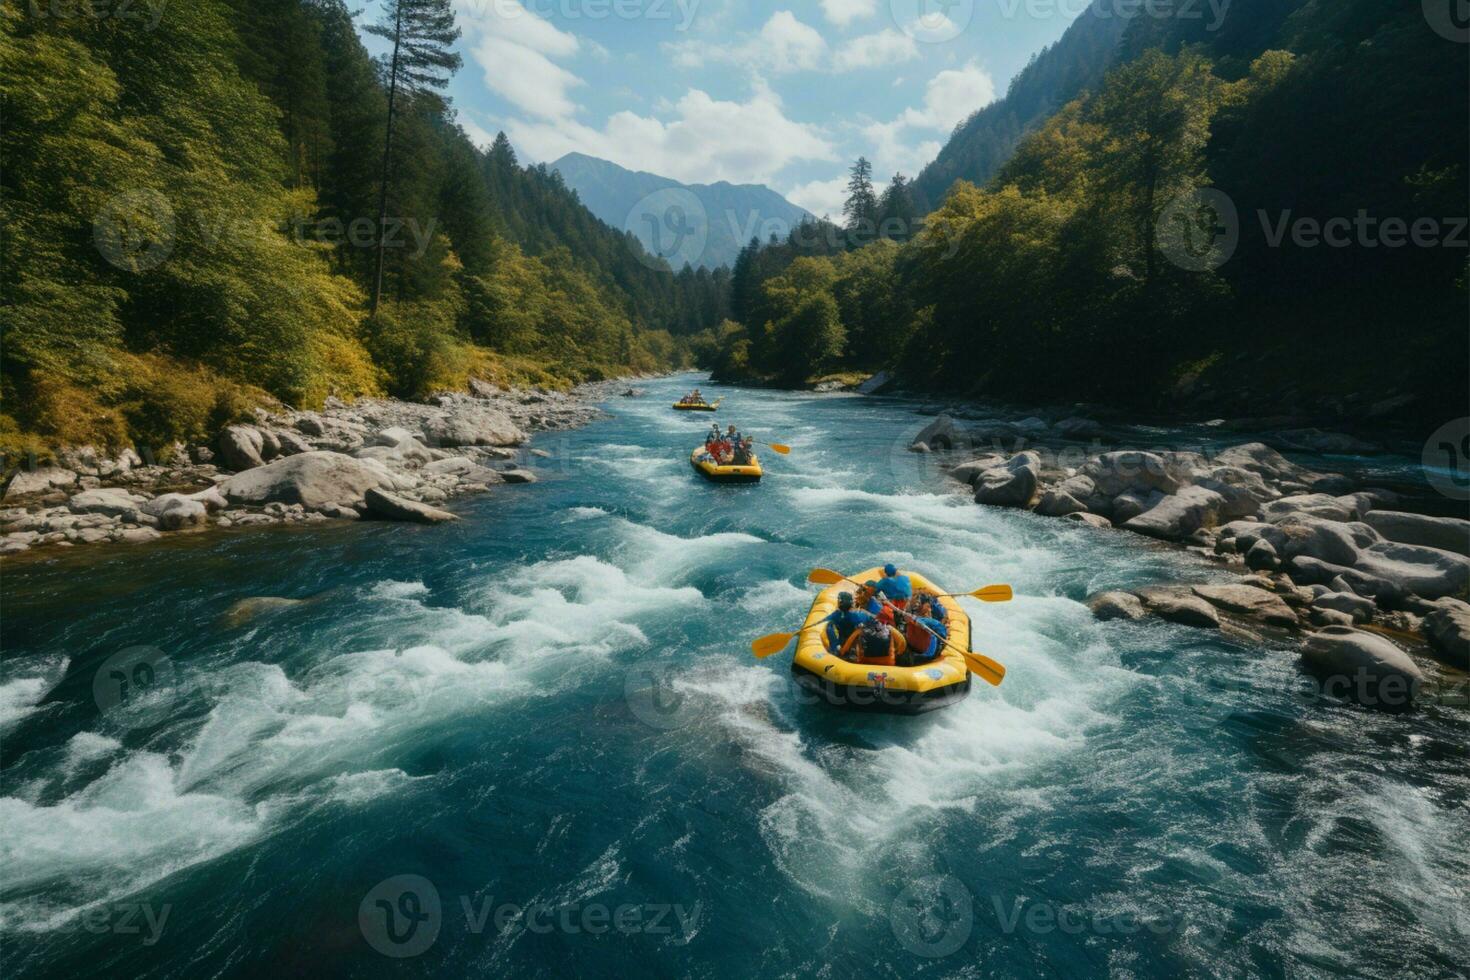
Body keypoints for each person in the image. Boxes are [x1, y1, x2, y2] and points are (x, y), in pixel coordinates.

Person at [841, 618, 906, 666]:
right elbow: (903, 643)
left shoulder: (860, 629)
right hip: (887, 664)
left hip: (864, 663)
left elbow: (847, 646)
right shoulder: (889, 628)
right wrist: (898, 652)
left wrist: (842, 653)